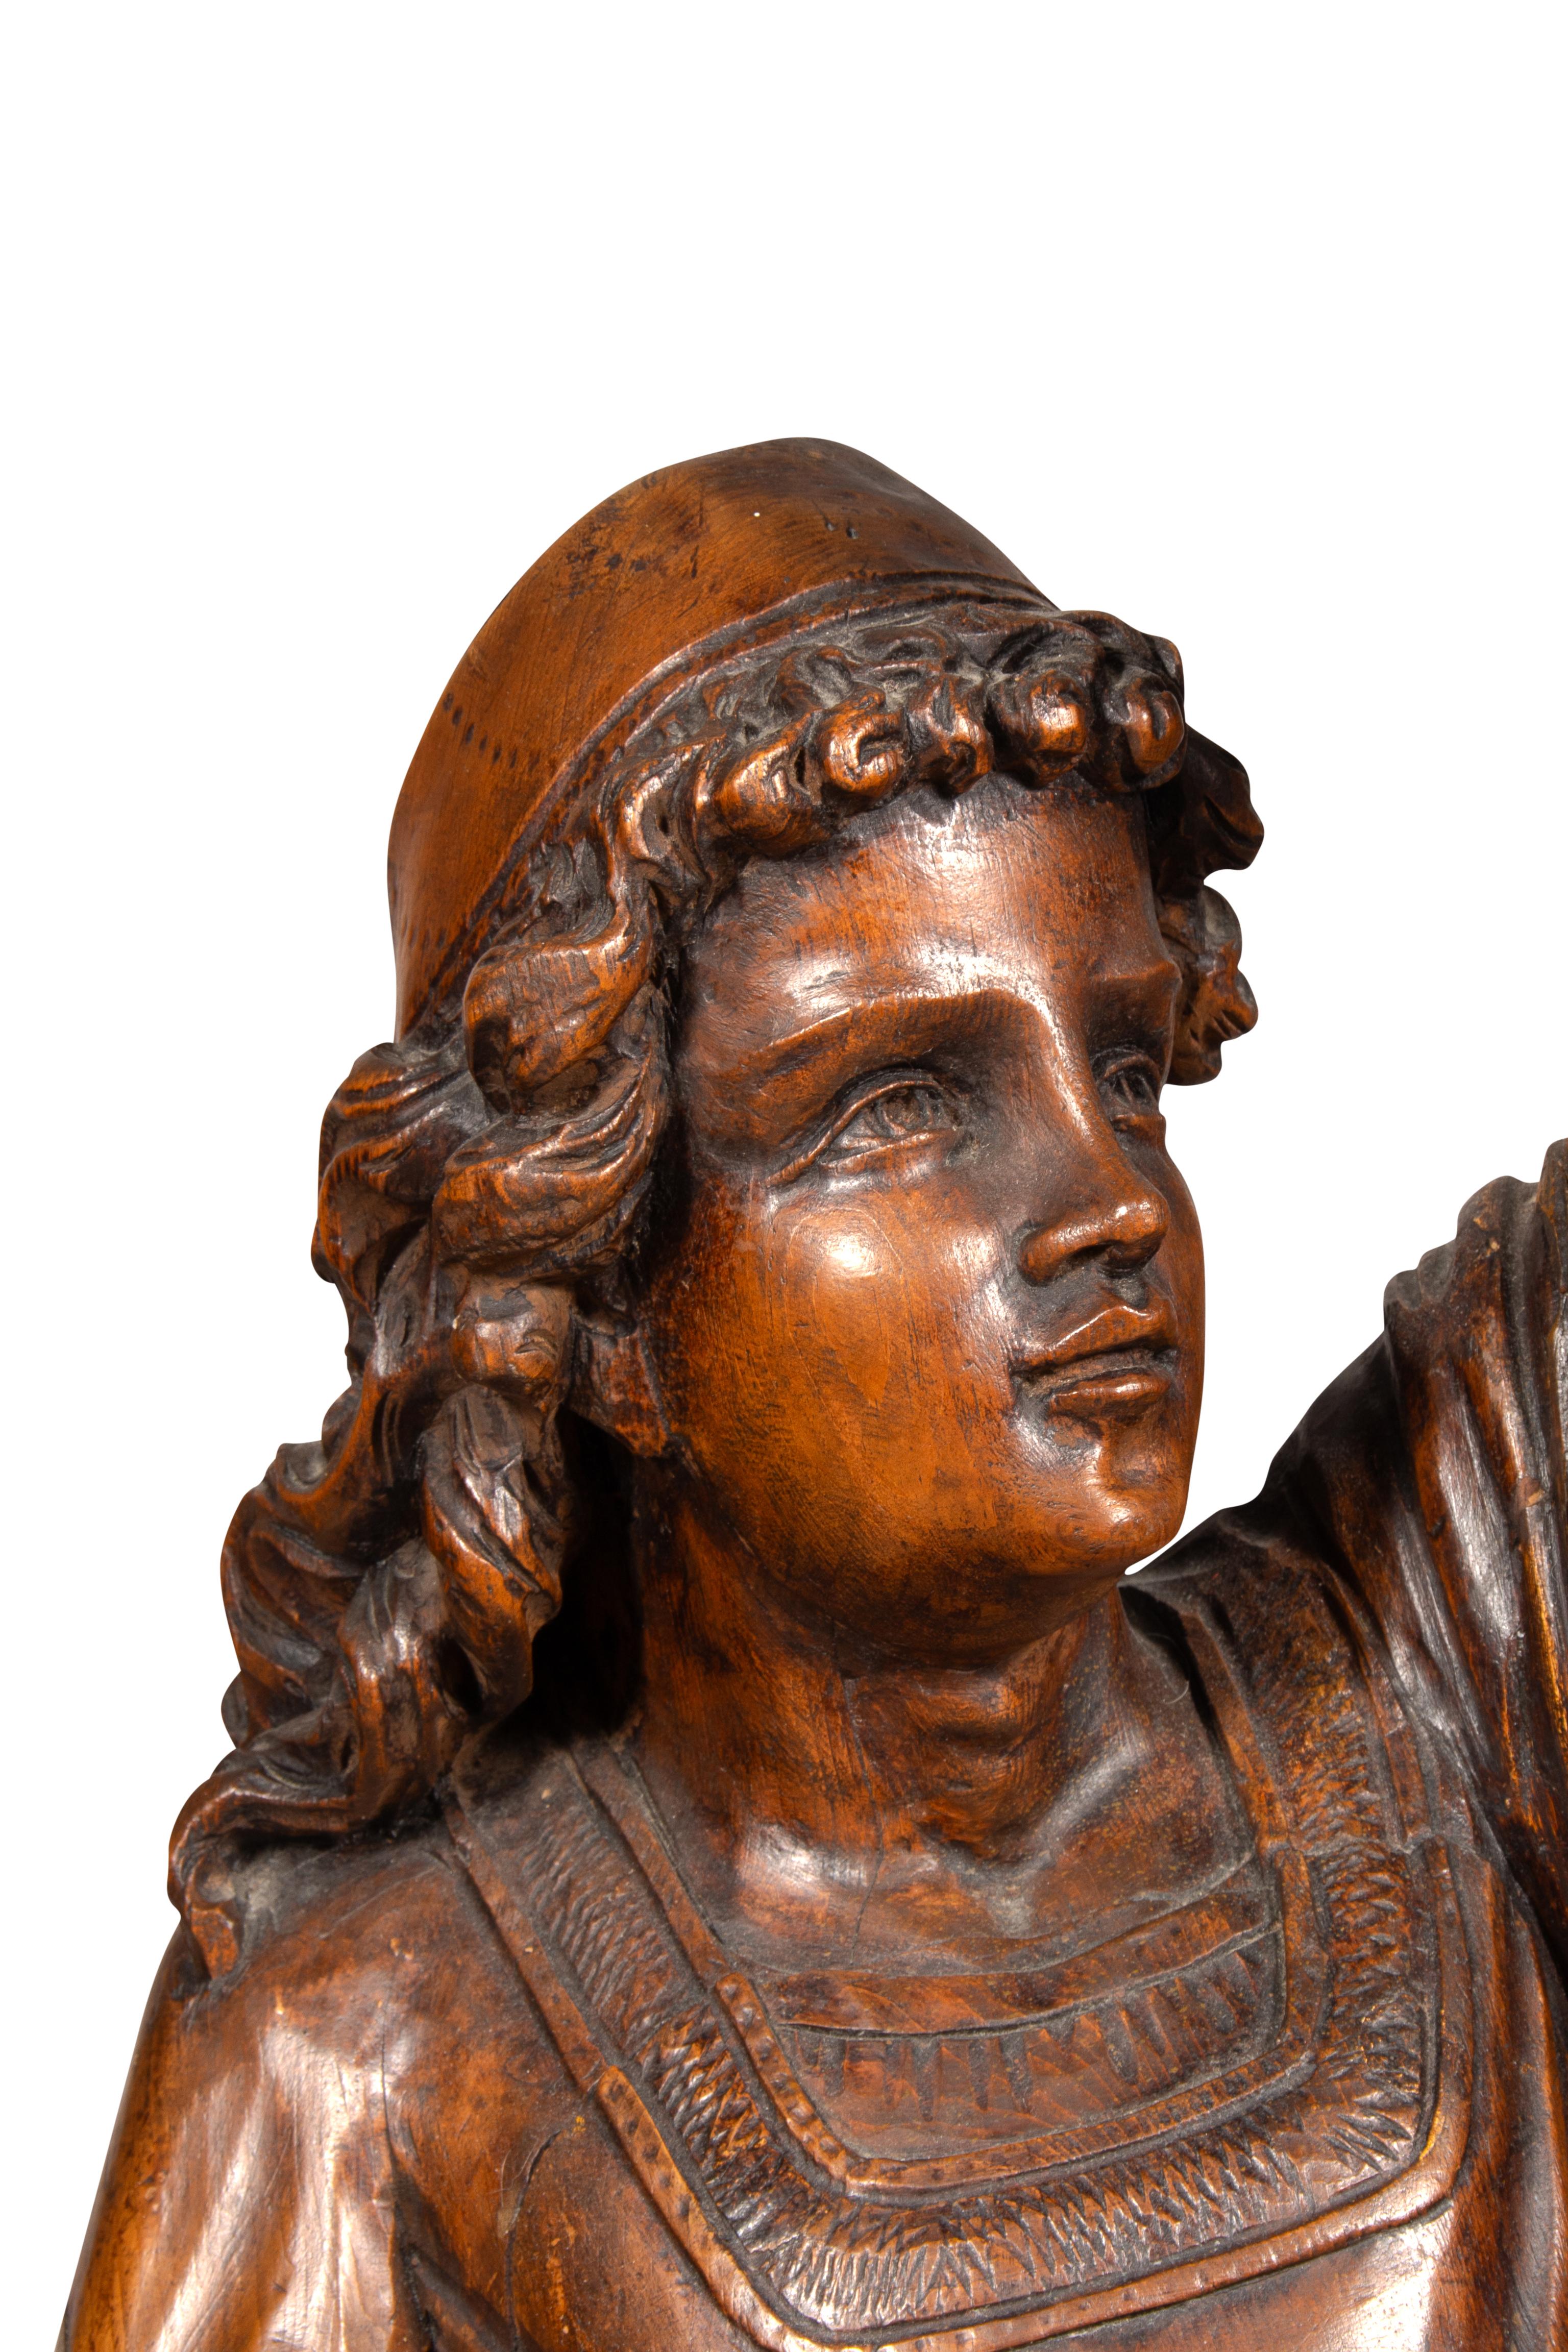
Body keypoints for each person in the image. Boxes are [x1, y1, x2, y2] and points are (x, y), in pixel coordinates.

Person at [64, 440, 1567, 2350]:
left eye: (1124, 1072)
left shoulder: (1442, 1651)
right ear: (601, 1294)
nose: (1109, 1201)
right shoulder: (368, 2048)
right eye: (906, 1105)